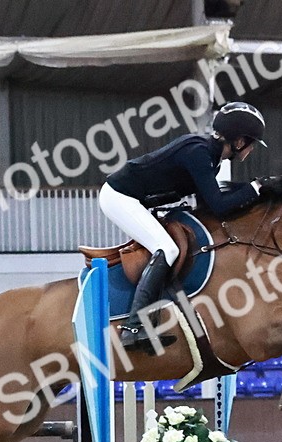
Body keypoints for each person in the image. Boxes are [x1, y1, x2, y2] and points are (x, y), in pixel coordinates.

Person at [100, 101, 267, 350]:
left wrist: (252, 191)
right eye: (252, 143)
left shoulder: (211, 158)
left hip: (137, 199)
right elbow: (219, 205)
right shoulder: (198, 153)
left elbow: (209, 206)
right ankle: (133, 328)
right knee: (167, 249)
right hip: (119, 196)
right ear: (240, 141)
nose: (251, 150)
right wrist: (255, 188)